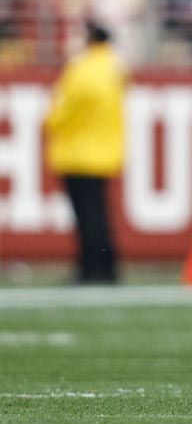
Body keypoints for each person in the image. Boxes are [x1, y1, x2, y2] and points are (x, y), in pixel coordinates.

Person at [45, 21, 127, 284]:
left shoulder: (82, 69)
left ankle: (89, 268)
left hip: (78, 151)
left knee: (86, 217)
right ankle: (107, 267)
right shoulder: (115, 67)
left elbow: (63, 111)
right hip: (105, 150)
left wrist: (51, 121)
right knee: (100, 214)